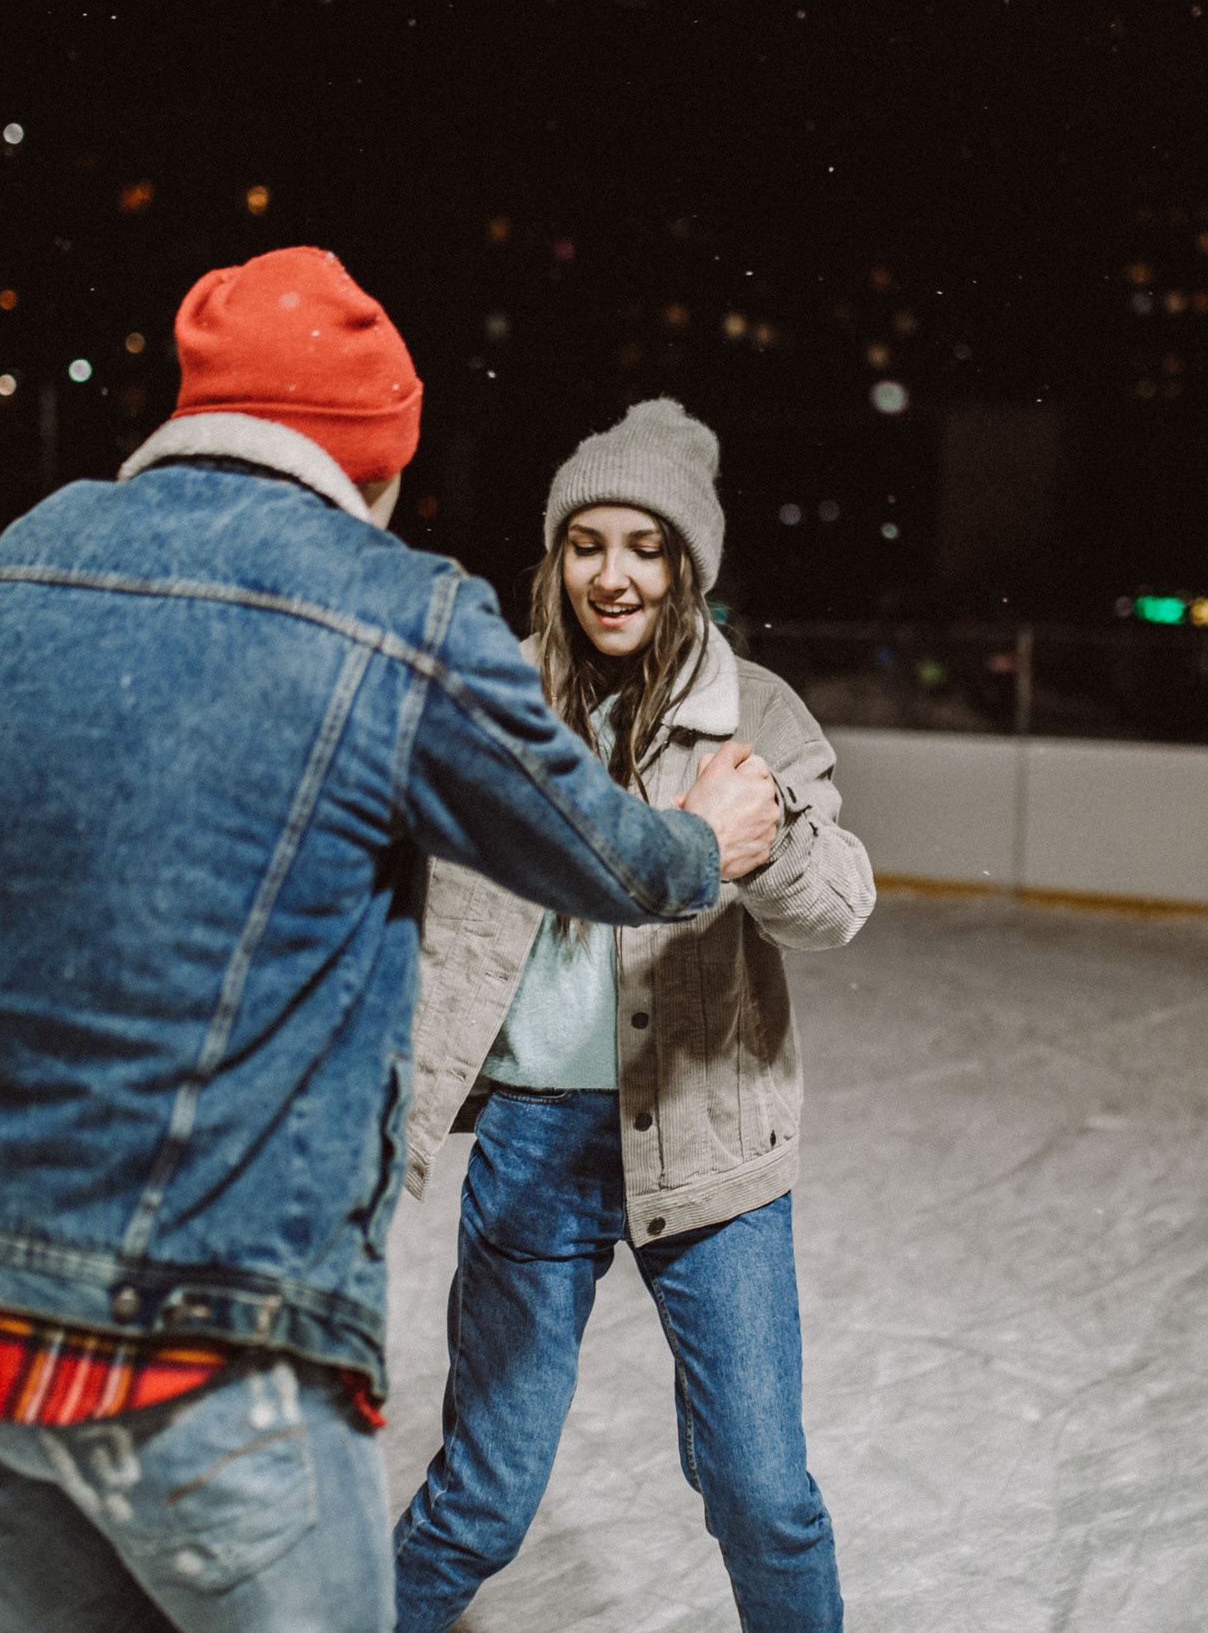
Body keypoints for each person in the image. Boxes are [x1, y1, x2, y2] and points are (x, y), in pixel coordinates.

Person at [0, 253, 781, 1633]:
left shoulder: (6, 563)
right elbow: (598, 851)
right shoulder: (395, 606)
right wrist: (712, 837)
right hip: (184, 1308)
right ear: (372, 463)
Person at [393, 399, 875, 1633]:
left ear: (688, 567)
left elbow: (841, 904)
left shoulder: (753, 714)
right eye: (587, 543)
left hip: (711, 1145)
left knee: (762, 1497)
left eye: (645, 547)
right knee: (482, 1500)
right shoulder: (498, 703)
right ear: (556, 557)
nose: (613, 575)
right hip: (534, 1149)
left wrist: (764, 848)